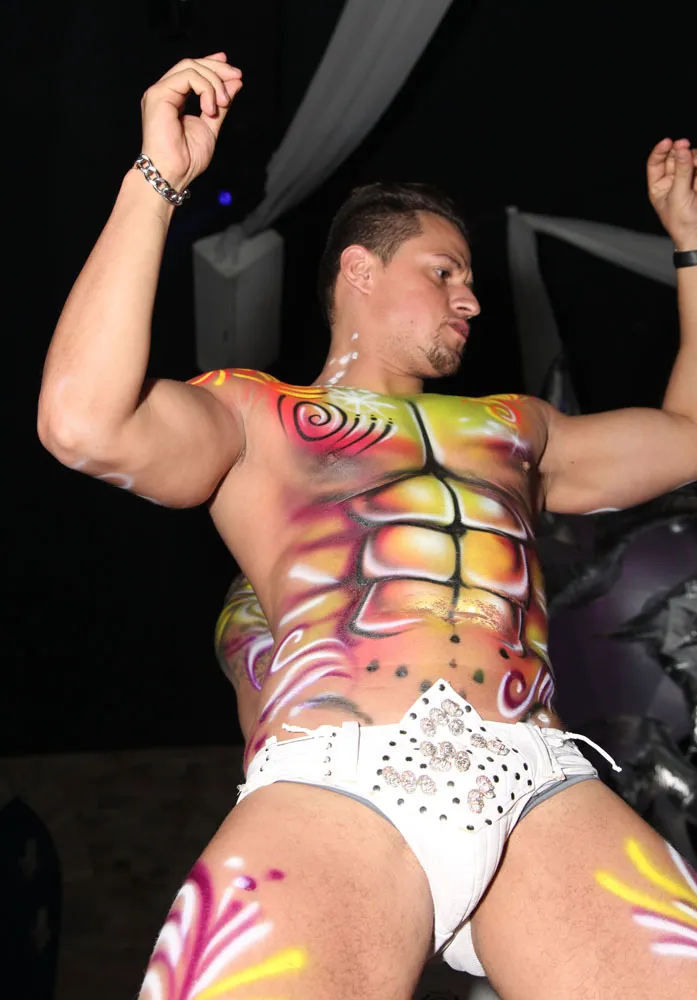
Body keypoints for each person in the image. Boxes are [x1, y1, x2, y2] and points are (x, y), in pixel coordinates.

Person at [38, 53, 697, 1000]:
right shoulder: (256, 416)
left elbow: (685, 435)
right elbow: (82, 423)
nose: (471, 299)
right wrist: (157, 180)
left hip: (540, 784)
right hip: (343, 781)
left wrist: (690, 248)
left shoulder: (515, 429)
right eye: (445, 272)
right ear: (359, 269)